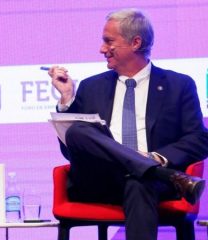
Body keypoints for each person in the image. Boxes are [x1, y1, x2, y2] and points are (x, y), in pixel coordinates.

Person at [47, 8, 208, 240]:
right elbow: (70, 149)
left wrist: (157, 158)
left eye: (108, 41)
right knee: (78, 130)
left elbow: (199, 139)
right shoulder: (91, 87)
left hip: (148, 184)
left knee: (138, 181)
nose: (102, 49)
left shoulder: (178, 85)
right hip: (100, 180)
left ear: (135, 42)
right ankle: (153, 170)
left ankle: (147, 168)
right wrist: (66, 99)